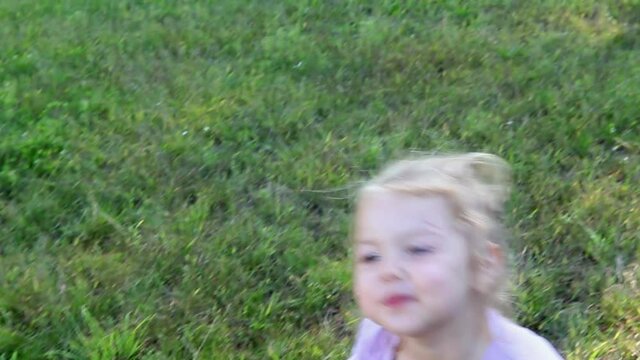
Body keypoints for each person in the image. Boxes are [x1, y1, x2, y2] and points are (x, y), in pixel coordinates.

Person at [349, 153, 563, 360]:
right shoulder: (378, 336)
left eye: (418, 249)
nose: (389, 271)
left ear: (483, 265)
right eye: (371, 257)